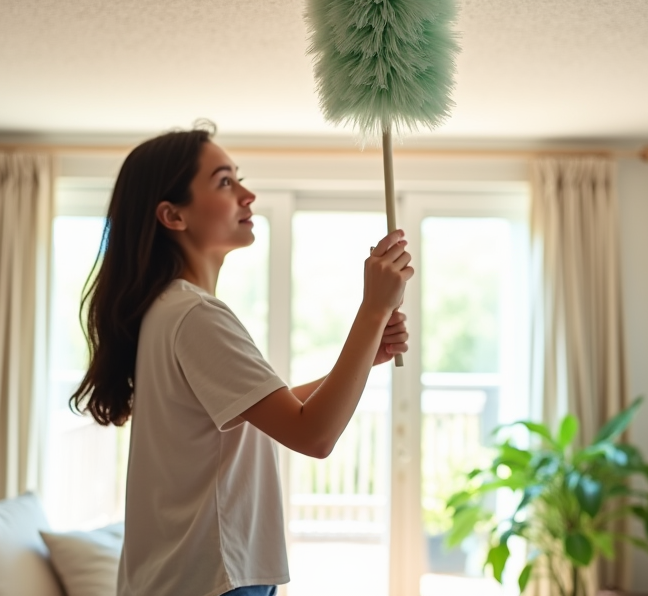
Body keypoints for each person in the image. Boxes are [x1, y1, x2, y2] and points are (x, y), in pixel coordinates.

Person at [71, 124, 413, 596]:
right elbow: (313, 433)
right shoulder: (195, 315)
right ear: (173, 215)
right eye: (225, 182)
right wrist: (373, 308)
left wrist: (363, 355)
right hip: (213, 580)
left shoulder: (168, 310)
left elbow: (263, 416)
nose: (247, 195)